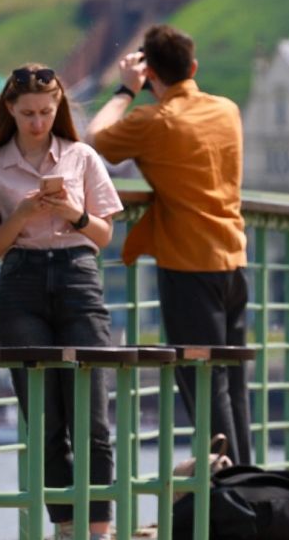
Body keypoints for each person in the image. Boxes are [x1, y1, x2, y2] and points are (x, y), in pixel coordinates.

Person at [0, 64, 124, 540]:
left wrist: (71, 211)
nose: (38, 122)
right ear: (10, 111)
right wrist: (21, 213)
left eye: (46, 112)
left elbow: (104, 235)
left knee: (92, 417)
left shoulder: (81, 156)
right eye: (29, 113)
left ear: (58, 108)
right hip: (22, 283)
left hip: (78, 276)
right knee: (45, 420)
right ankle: (67, 528)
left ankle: (98, 532)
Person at [86, 24, 252, 467]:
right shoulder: (227, 110)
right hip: (234, 257)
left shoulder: (153, 121)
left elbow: (95, 137)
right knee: (232, 382)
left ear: (151, 74)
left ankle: (226, 486)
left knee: (203, 382)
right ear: (193, 67)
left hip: (188, 263)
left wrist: (126, 88)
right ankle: (246, 483)